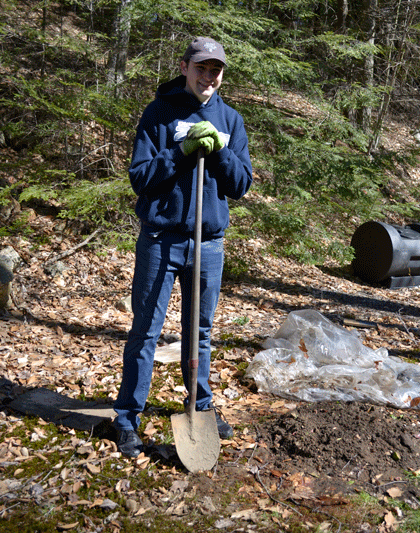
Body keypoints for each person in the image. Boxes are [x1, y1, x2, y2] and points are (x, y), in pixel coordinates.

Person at [113, 37, 253, 458]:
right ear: (185, 67)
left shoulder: (230, 119)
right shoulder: (159, 112)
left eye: (216, 70)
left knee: (201, 332)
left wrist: (220, 152)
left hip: (208, 243)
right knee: (146, 331)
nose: (208, 77)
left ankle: (201, 406)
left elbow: (241, 183)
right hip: (161, 239)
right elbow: (140, 176)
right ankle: (126, 417)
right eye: (201, 68)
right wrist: (182, 150)